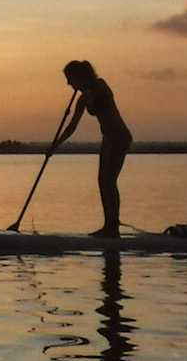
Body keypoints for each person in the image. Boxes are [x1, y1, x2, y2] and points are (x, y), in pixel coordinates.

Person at [52, 59, 132, 236]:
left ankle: (112, 226)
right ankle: (109, 225)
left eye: (70, 79)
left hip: (119, 137)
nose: (68, 83)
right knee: (102, 181)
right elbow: (72, 127)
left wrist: (90, 97)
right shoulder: (81, 99)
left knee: (109, 181)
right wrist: (54, 146)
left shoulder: (101, 86)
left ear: (79, 77)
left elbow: (101, 105)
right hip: (108, 139)